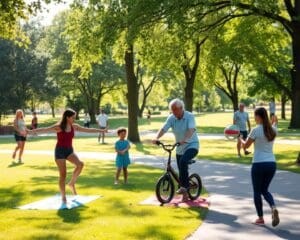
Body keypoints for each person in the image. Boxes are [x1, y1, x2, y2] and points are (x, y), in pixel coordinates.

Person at [28, 109, 107, 204]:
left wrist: (102, 130)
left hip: (69, 150)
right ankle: (63, 197)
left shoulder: (74, 126)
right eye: (73, 117)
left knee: (80, 164)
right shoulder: (59, 127)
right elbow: (44, 129)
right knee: (63, 175)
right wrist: (29, 132)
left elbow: (88, 130)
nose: (74, 118)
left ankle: (72, 183)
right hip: (60, 151)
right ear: (67, 117)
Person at [152, 98, 199, 202]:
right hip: (180, 148)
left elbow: (191, 129)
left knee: (183, 162)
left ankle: (185, 186)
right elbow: (164, 128)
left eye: (175, 109)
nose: (173, 112)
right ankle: (185, 195)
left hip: (192, 145)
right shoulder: (171, 118)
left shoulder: (189, 116)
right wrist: (156, 138)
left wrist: (185, 139)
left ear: (181, 108)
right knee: (181, 170)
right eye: (172, 110)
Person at [240, 107, 280, 227]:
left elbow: (246, 146)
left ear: (259, 116)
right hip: (271, 164)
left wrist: (241, 139)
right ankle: (273, 207)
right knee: (264, 190)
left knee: (257, 191)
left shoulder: (256, 130)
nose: (254, 118)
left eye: (255, 115)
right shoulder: (274, 130)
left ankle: (260, 218)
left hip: (258, 164)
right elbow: (274, 125)